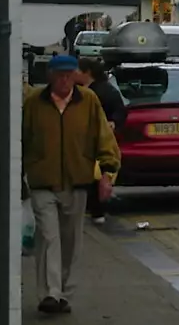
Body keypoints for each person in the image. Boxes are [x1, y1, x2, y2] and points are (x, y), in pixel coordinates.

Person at [23, 52, 120, 315]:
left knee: (71, 242)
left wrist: (108, 174)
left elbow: (103, 139)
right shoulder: (34, 102)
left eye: (69, 75)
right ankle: (49, 294)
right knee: (48, 237)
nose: (65, 81)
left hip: (77, 181)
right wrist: (20, 176)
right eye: (60, 76)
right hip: (43, 180)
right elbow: (22, 139)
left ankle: (64, 294)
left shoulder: (88, 101)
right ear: (50, 77)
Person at [76, 58, 126, 225]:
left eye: (77, 71)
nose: (74, 74)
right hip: (83, 141)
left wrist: (113, 122)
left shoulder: (105, 91)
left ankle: (97, 211)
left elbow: (120, 111)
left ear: (87, 72)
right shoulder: (79, 90)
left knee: (97, 175)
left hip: (98, 141)